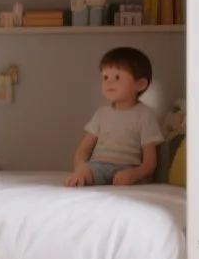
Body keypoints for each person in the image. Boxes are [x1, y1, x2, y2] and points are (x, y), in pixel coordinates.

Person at [66, 46, 164, 187]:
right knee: (83, 174)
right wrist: (80, 168)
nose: (108, 82)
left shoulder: (145, 115)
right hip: (97, 166)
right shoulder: (102, 114)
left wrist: (135, 174)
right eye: (105, 77)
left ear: (140, 84)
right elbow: (84, 148)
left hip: (127, 168)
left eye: (117, 77)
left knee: (125, 180)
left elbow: (150, 161)